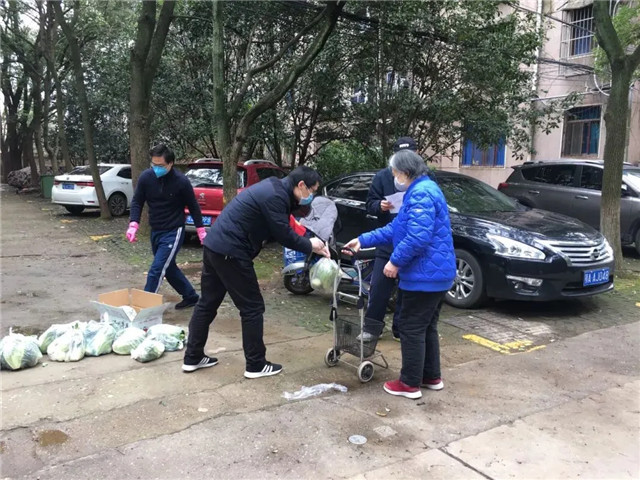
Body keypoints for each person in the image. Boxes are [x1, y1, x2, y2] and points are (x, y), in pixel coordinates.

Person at [182, 166, 330, 377]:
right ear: (301, 185)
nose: (311, 196)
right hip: (231, 251)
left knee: (207, 303)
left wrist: (314, 241)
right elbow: (283, 235)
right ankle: (256, 364)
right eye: (312, 191)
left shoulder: (275, 189)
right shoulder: (276, 196)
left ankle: (192, 357)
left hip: (215, 245)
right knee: (252, 307)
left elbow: (290, 224)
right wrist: (310, 245)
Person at [344, 149, 456, 400]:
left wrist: (394, 262)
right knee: (426, 326)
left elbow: (417, 237)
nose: (394, 177)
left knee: (410, 327)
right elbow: (396, 228)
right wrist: (363, 240)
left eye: (395, 172)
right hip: (434, 273)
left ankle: (409, 383)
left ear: (405, 172)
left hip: (424, 275)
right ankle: (431, 376)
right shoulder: (423, 190)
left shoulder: (421, 193)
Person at [126, 144, 207, 310]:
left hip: (173, 230)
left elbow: (193, 206)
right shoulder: (146, 177)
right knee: (168, 267)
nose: (156, 168)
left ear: (171, 163)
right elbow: (137, 201)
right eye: (153, 164)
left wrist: (201, 230)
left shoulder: (181, 181)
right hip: (156, 229)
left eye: (161, 165)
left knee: (156, 269)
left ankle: (144, 308)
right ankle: (191, 296)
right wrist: (133, 224)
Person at [359, 137, 418, 342]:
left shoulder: (423, 179)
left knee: (407, 289)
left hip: (411, 242)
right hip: (387, 240)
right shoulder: (383, 177)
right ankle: (372, 328)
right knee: (379, 287)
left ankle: (400, 329)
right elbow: (370, 204)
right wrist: (380, 206)